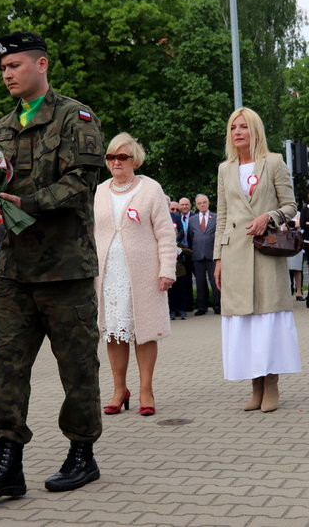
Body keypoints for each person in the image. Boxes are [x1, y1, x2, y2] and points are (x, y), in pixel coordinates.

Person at [0, 31, 104, 500]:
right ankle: (7, 461)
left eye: (15, 66)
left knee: (78, 367)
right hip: (16, 271)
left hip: (65, 270)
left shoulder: (74, 116)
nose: (7, 75)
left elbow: (82, 182)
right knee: (5, 366)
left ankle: (82, 454)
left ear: (41, 65)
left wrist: (29, 201)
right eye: (2, 69)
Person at [213, 107, 302, 413]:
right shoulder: (225, 169)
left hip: (267, 251)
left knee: (268, 319)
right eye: (233, 127)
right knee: (245, 323)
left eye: (244, 127)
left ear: (256, 131)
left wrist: (269, 216)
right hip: (235, 253)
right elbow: (222, 215)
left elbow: (291, 205)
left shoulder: (274, 162)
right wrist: (218, 258)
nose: (238, 132)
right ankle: (255, 386)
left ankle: (272, 385)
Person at [93, 133, 177, 417]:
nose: (116, 162)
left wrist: (167, 269)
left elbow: (166, 233)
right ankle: (119, 389)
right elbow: (91, 234)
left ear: (135, 160)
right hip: (109, 275)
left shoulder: (150, 189)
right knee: (114, 333)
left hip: (143, 275)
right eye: (111, 157)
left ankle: (146, 390)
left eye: (122, 156)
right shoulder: (100, 191)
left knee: (144, 332)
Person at [188, 194, 220, 315]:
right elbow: (191, 237)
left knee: (215, 281)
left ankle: (218, 306)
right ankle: (202, 307)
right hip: (197, 256)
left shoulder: (216, 217)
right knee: (200, 282)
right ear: (196, 205)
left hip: (212, 255)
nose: (202, 204)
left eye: (204, 202)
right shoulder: (192, 220)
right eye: (200, 203)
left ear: (208, 203)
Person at [177, 196, 195, 312]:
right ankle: (187, 305)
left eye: (186, 204)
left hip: (192, 250)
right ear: (179, 206)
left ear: (190, 206)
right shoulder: (177, 218)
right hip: (180, 253)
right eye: (182, 205)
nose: (184, 207)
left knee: (199, 278)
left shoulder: (195, 217)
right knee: (185, 279)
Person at [286, 210, 305, 301]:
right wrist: (294, 224)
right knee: (286, 268)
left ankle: (299, 292)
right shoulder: (281, 212)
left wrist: (289, 224)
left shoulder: (298, 213)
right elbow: (282, 227)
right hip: (284, 242)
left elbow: (302, 223)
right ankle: (287, 291)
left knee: (297, 268)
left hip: (296, 243)